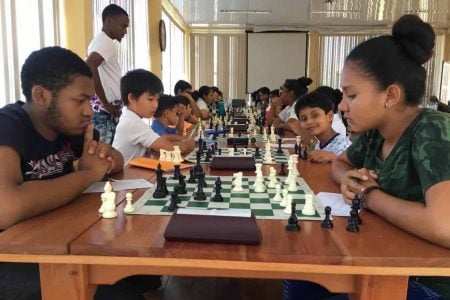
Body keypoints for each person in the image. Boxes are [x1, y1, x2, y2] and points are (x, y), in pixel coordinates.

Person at [331, 14, 450, 299]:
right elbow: (340, 162)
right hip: (384, 256)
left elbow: (444, 225)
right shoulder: (376, 133)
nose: (343, 106)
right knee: (304, 280)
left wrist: (368, 195)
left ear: (391, 95)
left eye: (352, 95)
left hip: (429, 280)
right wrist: (348, 178)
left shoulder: (433, 131)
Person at [0, 46, 128, 299]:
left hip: (55, 236)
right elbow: (6, 208)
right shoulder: (8, 125)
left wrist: (108, 160)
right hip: (11, 255)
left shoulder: (72, 128)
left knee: (129, 274)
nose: (89, 110)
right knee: (110, 288)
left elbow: (117, 160)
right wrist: (88, 174)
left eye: (90, 101)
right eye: (80, 100)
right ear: (41, 96)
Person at [112, 69, 195, 164]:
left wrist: (181, 139)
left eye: (157, 100)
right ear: (131, 98)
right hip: (126, 176)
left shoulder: (130, 118)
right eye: (151, 99)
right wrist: (187, 145)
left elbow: (160, 140)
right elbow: (169, 149)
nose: (155, 105)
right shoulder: (133, 123)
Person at [86, 4, 129, 144]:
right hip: (106, 110)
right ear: (109, 21)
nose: (125, 31)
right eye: (123, 26)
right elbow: (90, 64)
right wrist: (105, 103)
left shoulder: (99, 41)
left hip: (106, 108)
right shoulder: (106, 42)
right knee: (105, 154)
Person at [295, 91, 351, 163]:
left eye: (315, 115)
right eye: (304, 119)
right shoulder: (319, 145)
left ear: (330, 116)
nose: (309, 122)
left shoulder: (344, 146)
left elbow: (354, 170)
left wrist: (334, 158)